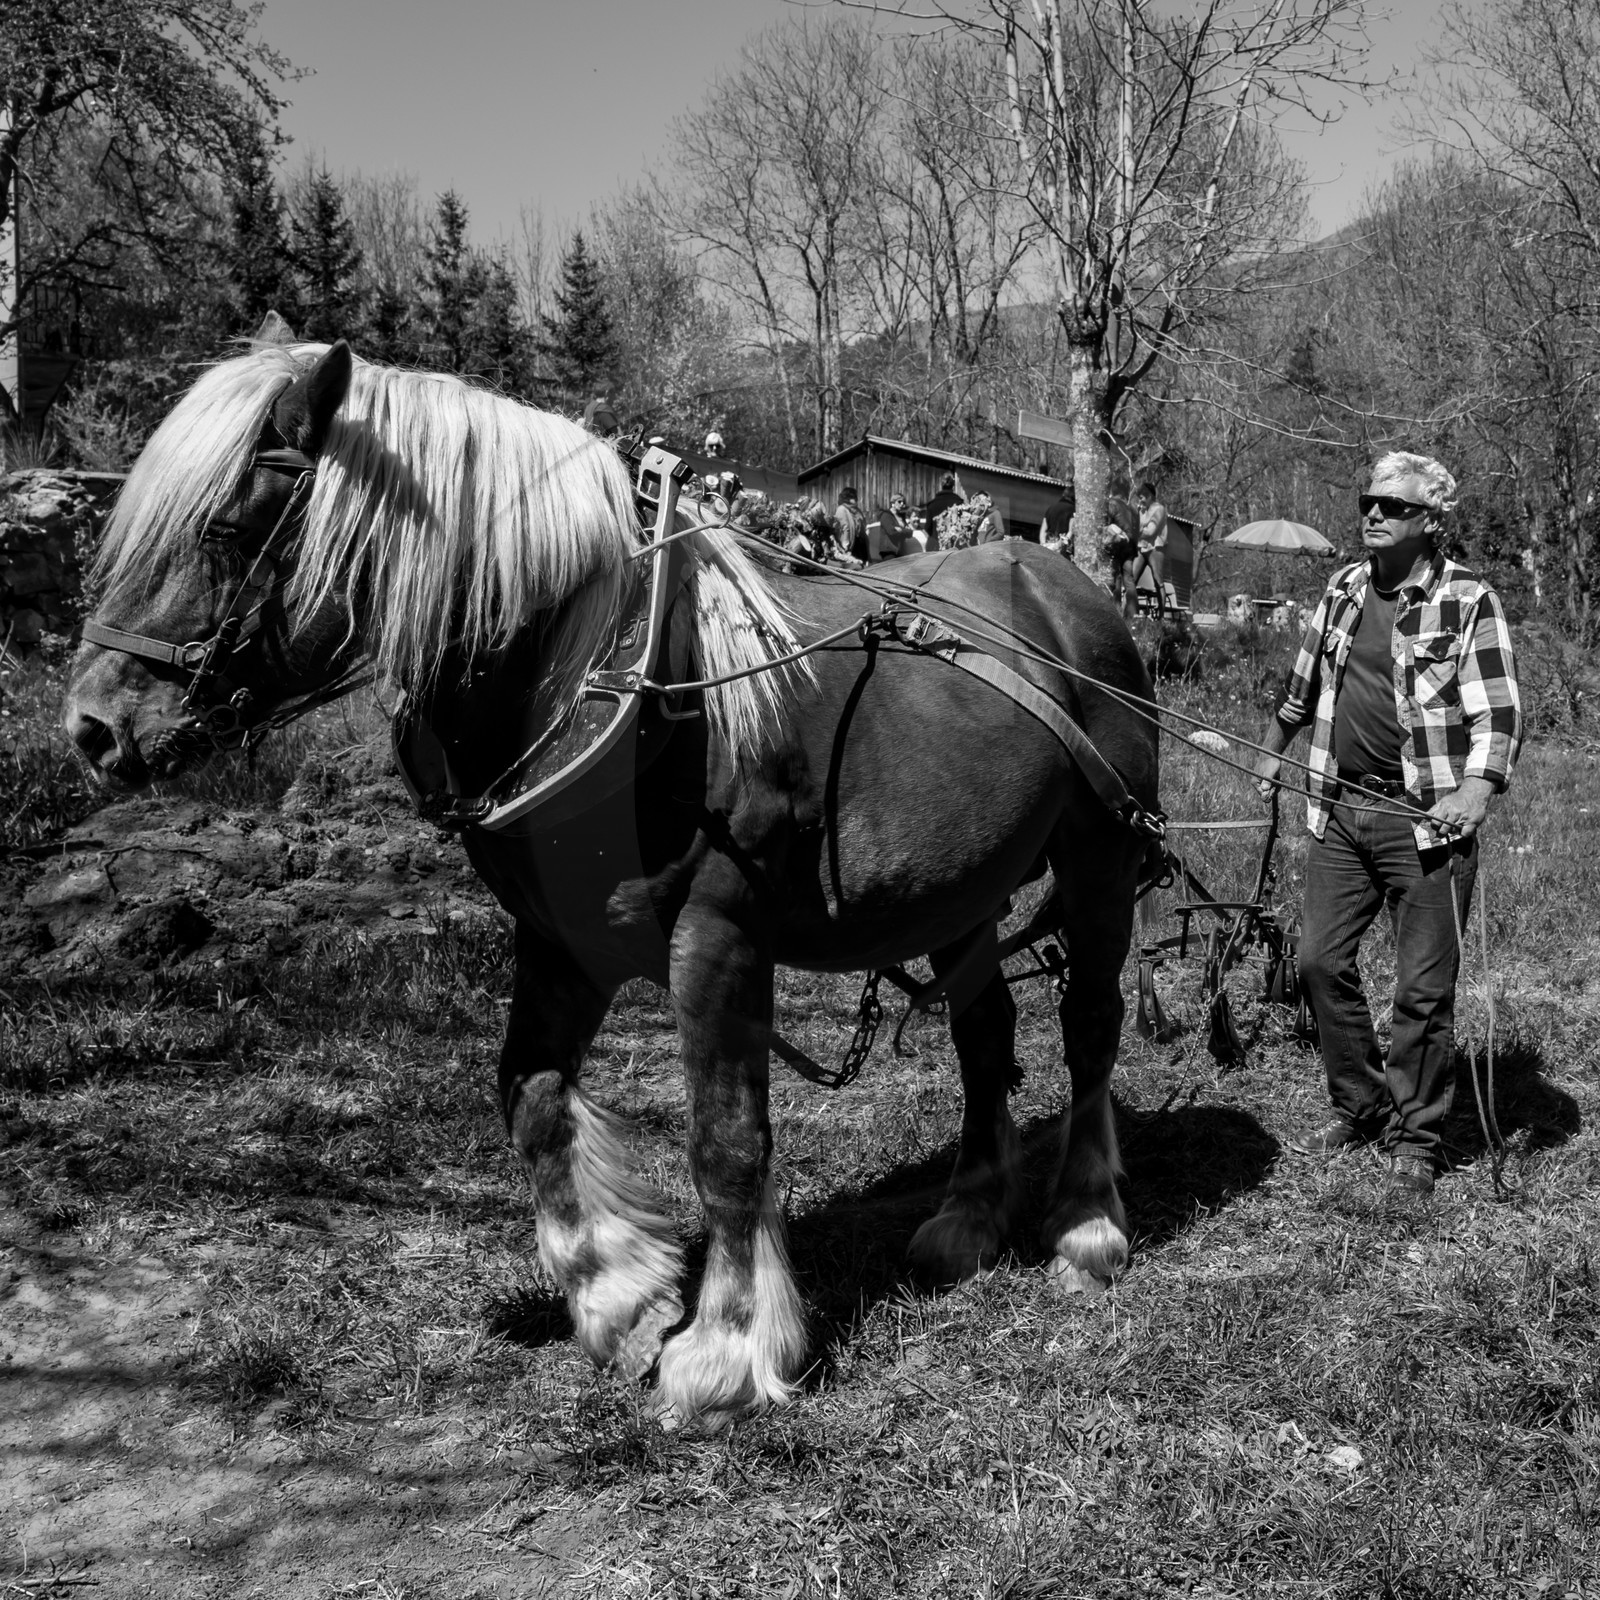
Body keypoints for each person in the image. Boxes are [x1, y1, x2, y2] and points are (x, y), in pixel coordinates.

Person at [1253, 451, 1522, 1199]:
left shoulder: (1467, 599)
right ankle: (1361, 1104)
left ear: (1431, 520)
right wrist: (1272, 753)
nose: (1374, 513)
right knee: (1318, 962)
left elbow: (1498, 712)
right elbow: (1302, 685)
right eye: (1368, 501)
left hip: (1425, 822)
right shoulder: (1343, 588)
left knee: (1422, 993)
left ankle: (1415, 1139)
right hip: (1341, 809)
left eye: (1394, 506)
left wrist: (1476, 791)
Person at [1127, 481, 1168, 616]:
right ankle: (1130, 613)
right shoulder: (1141, 510)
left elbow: (1151, 531)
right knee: (1131, 579)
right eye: (1139, 498)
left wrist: (1136, 530)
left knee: (1158, 581)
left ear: (1150, 496)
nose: (1140, 500)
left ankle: (1161, 615)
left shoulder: (1159, 509)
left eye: (1142, 497)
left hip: (1155, 548)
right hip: (1141, 547)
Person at [922, 473, 963, 553]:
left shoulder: (932, 504)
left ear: (941, 485)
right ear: (953, 485)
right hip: (954, 547)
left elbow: (927, 527)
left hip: (935, 546)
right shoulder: (959, 503)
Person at [871, 493, 915, 561]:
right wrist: (904, 530)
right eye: (899, 502)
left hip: (900, 551)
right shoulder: (886, 515)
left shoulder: (901, 516)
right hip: (889, 551)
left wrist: (900, 530)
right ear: (893, 503)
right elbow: (891, 532)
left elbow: (910, 532)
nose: (902, 504)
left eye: (903, 502)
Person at [833, 485, 869, 564]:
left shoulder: (857, 511)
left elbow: (863, 526)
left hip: (860, 543)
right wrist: (845, 545)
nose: (856, 499)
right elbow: (844, 528)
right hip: (849, 545)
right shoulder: (842, 509)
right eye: (853, 497)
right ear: (847, 498)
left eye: (855, 497)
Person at [1040, 483, 1076, 554]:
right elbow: (1070, 531)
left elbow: (1043, 531)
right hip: (1061, 547)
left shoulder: (1051, 508)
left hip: (1048, 545)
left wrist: (1043, 545)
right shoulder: (1073, 510)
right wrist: (1061, 546)